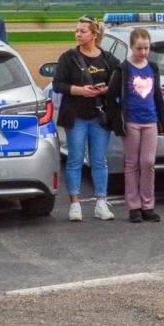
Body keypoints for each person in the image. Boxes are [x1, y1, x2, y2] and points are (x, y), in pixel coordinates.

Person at [52, 16, 119, 224]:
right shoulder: (68, 58)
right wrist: (80, 90)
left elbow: (118, 80)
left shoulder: (108, 59)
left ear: (94, 35)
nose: (78, 34)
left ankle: (101, 202)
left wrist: (106, 89)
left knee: (99, 160)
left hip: (100, 116)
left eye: (83, 31)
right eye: (77, 30)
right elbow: (58, 85)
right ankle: (74, 203)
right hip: (77, 116)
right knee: (75, 160)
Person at [107, 28, 162, 223]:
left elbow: (157, 95)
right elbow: (111, 96)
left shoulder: (152, 68)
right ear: (131, 47)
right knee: (132, 164)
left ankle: (148, 205)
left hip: (150, 120)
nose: (143, 52)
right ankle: (134, 207)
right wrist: (117, 118)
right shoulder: (123, 69)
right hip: (131, 121)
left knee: (148, 163)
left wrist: (161, 120)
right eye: (139, 48)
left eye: (146, 48)